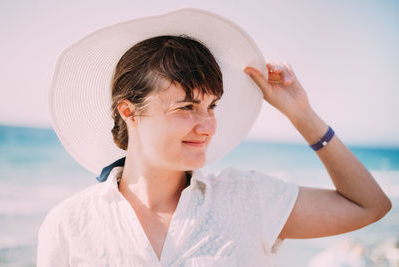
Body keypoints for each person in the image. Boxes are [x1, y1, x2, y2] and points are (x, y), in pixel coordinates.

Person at [37, 8, 391, 267]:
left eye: (212, 106)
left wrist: (301, 114)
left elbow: (369, 205)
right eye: (187, 107)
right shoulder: (69, 224)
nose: (207, 125)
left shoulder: (246, 198)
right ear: (129, 112)